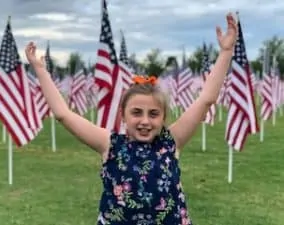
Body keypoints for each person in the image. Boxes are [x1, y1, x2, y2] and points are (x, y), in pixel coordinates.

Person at [25, 12, 237, 225]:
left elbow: (206, 100)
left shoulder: (172, 141)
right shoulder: (109, 143)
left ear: (163, 117)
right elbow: (63, 114)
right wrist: (41, 70)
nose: (145, 121)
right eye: (137, 112)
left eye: (153, 114)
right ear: (123, 115)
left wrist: (226, 52)